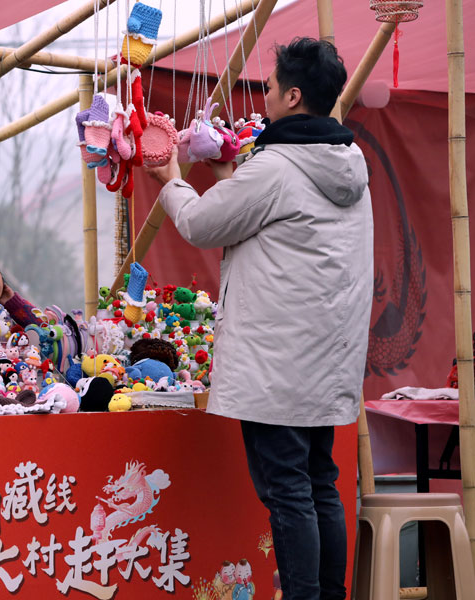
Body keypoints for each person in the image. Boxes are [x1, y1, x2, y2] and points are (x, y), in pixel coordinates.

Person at [147, 38, 373, 600]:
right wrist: (231, 175)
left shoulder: (275, 165)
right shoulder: (348, 163)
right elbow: (272, 225)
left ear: (293, 95)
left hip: (277, 365)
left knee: (289, 492)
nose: (265, 93)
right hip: (328, 358)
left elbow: (201, 224)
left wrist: (169, 176)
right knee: (321, 484)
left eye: (270, 85)